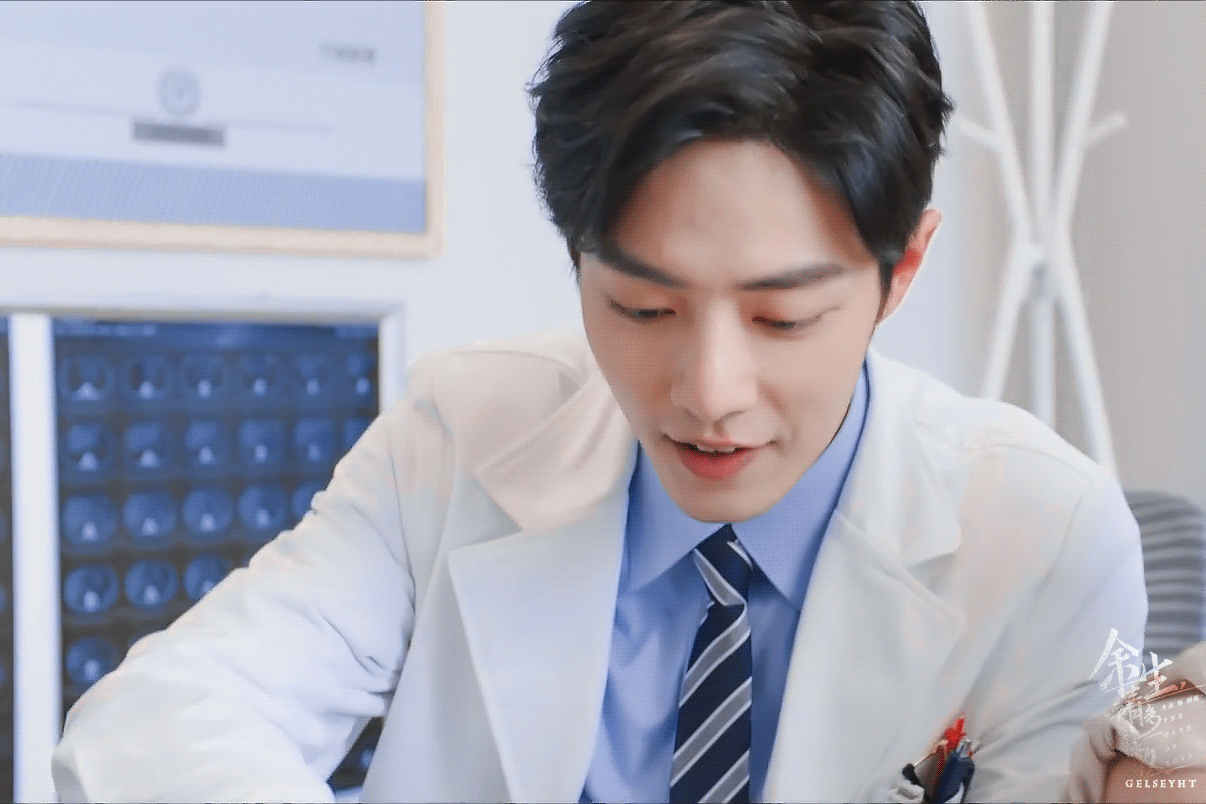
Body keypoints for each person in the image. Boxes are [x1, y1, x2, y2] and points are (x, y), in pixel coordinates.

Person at [52, 2, 1146, 802]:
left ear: (900, 271)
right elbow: (159, 720)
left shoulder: (1046, 537)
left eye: (781, 319)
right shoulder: (460, 432)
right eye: (642, 307)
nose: (708, 395)